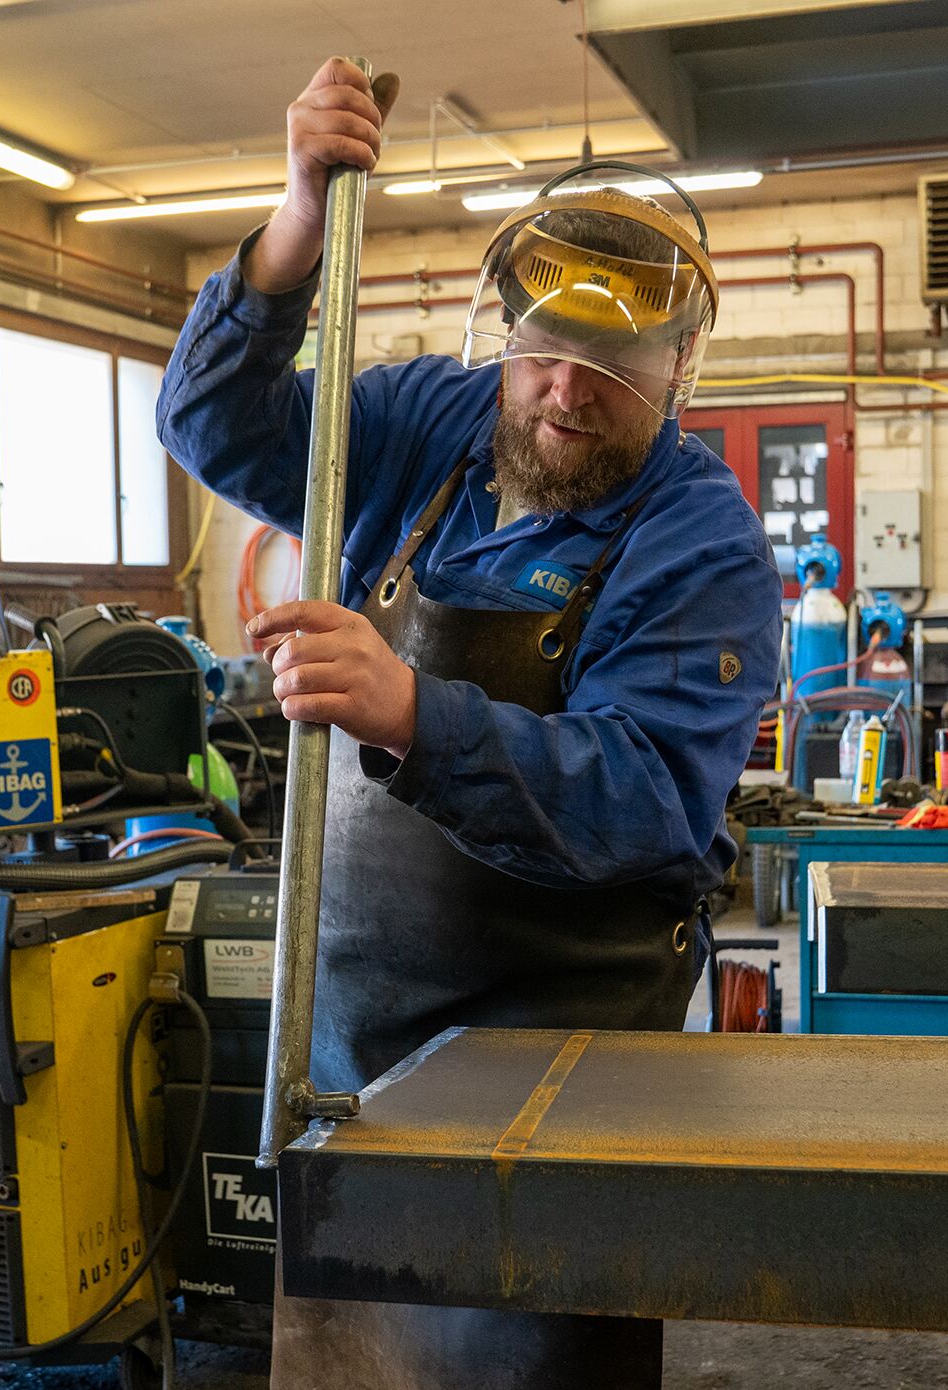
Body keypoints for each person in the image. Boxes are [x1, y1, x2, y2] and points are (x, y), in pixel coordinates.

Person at [156, 57, 783, 1389]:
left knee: (528, 1357)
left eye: (613, 371)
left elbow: (647, 798)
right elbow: (215, 423)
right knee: (353, 1353)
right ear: (503, 328)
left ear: (680, 367)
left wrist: (409, 710)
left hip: (569, 1058)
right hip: (355, 1041)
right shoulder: (428, 421)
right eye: (543, 353)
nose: (565, 395)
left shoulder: (702, 541)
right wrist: (298, 220)